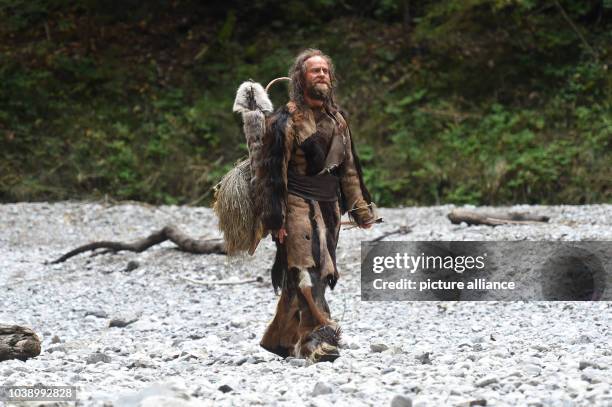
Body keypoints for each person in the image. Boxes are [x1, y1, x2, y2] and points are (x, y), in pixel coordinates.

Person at [256, 49, 376, 362]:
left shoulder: (338, 121)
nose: (321, 74)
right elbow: (271, 173)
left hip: (329, 208)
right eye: (314, 71)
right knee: (302, 268)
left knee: (321, 270)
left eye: (325, 70)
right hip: (295, 204)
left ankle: (282, 339)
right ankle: (316, 339)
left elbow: (348, 171)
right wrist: (274, 218)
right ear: (301, 78)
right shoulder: (285, 120)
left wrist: (361, 210)